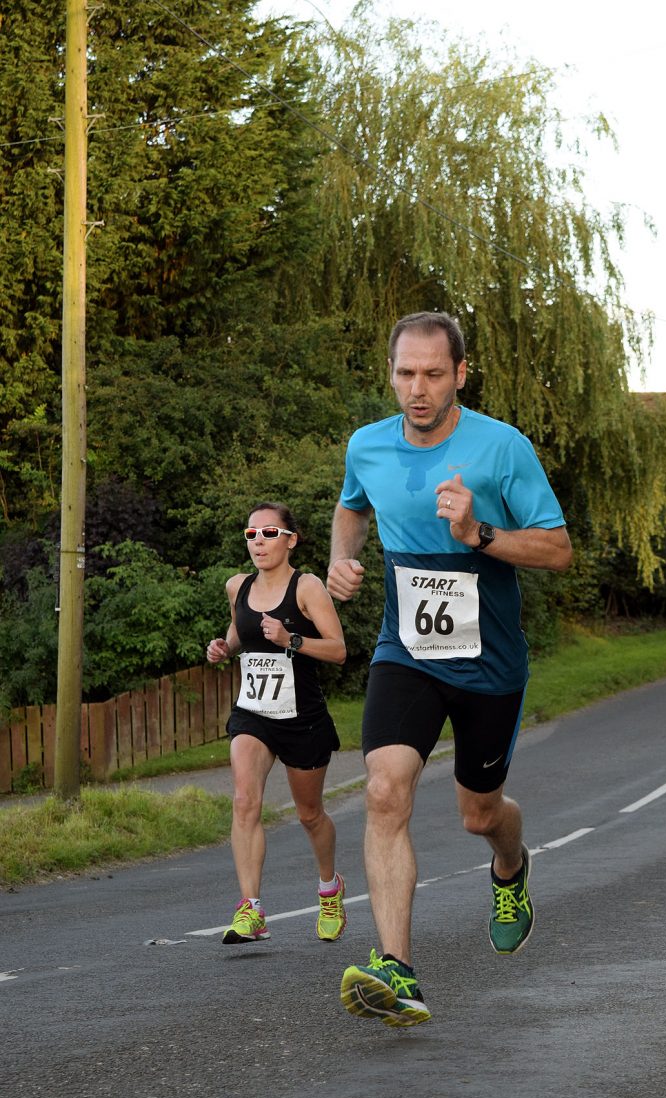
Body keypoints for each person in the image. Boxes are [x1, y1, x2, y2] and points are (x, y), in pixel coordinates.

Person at [327, 311, 572, 1027]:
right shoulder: (367, 445)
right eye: (406, 373)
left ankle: (510, 866)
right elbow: (351, 509)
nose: (418, 389)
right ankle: (396, 969)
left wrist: (478, 533)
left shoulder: (502, 448)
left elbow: (558, 550)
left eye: (434, 374)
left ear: (460, 373)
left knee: (479, 813)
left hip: (488, 660)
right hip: (405, 650)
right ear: (392, 371)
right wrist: (343, 560)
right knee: (382, 788)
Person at [206, 502, 348, 945]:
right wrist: (223, 649)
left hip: (301, 717)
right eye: (251, 535)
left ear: (291, 539)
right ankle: (251, 909)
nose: (259, 542)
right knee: (244, 800)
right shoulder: (237, 586)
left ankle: (330, 887)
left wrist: (292, 639)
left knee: (309, 814)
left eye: (268, 533)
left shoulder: (307, 588)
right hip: (253, 713)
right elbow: (239, 632)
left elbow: (338, 650)